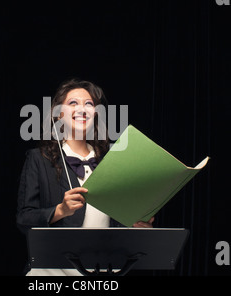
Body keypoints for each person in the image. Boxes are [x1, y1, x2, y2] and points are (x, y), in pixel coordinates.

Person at [16, 78, 154, 275]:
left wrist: (136, 226)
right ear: (58, 115)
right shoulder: (38, 159)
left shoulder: (112, 161)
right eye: (73, 103)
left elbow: (116, 223)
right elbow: (24, 218)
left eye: (89, 104)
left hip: (105, 272)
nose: (82, 109)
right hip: (51, 272)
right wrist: (59, 211)